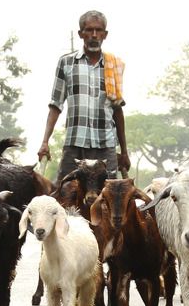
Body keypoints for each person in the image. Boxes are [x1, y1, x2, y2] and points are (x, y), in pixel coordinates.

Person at [38, 10, 131, 181]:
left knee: (109, 194)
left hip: (105, 146)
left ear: (105, 34)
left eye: (98, 30)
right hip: (75, 144)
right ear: (81, 34)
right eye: (89, 30)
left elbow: (117, 110)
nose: (94, 35)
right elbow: (56, 105)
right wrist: (45, 142)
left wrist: (124, 152)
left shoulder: (113, 66)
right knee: (65, 190)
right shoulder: (67, 63)